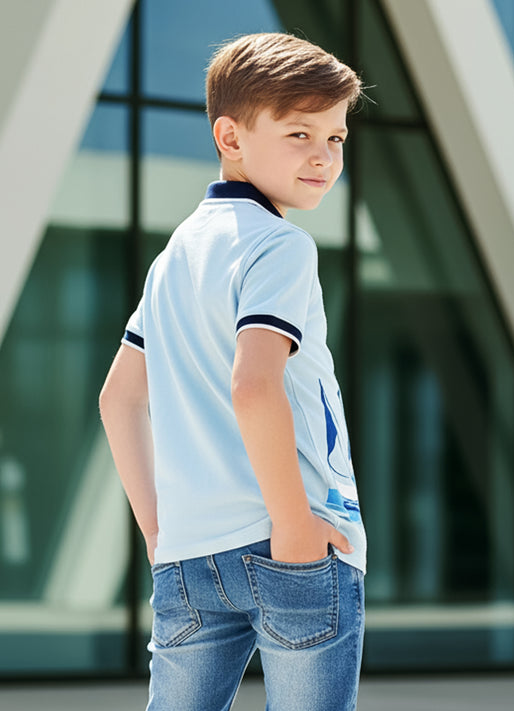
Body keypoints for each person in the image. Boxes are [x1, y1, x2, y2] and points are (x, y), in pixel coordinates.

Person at [99, 32, 367, 711]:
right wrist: (294, 525)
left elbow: (117, 398)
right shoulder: (279, 245)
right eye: (300, 133)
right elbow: (253, 384)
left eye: (336, 137)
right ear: (230, 136)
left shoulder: (174, 258)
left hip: (189, 554)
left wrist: (160, 534)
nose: (323, 155)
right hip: (288, 546)